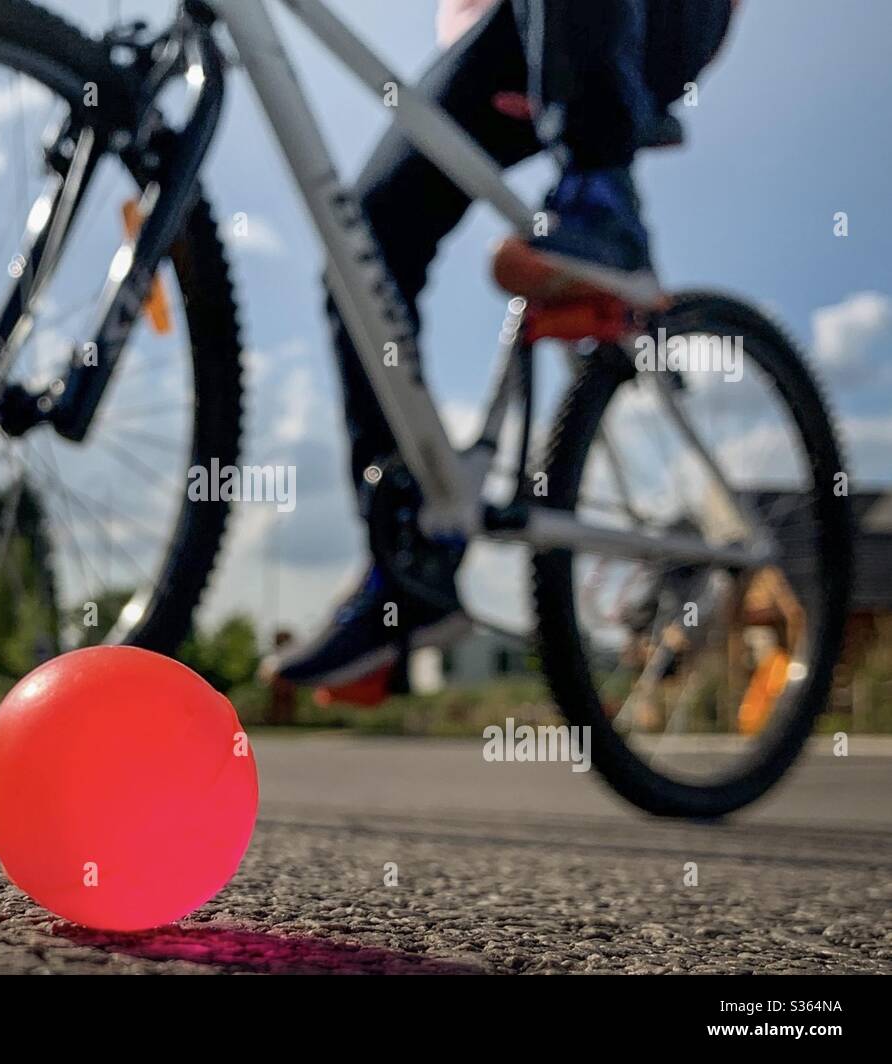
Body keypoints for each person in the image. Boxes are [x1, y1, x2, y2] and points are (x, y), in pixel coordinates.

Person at [265, 0, 738, 691]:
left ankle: (604, 200)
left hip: (655, 20)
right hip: (500, 43)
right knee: (363, 243)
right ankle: (407, 562)